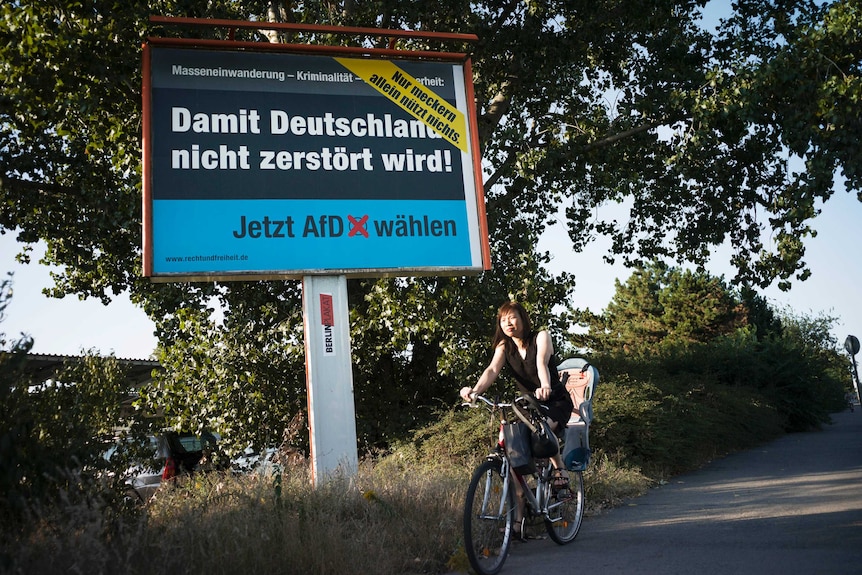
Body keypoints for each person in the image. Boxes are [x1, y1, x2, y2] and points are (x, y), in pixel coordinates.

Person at [460, 302, 574, 537]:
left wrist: (545, 386)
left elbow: (541, 362)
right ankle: (518, 519)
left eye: (512, 318)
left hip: (553, 400)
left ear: (523, 318)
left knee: (542, 431)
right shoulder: (504, 346)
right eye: (503, 320)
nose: (508, 324)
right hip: (527, 405)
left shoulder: (541, 337)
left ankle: (559, 470)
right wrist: (475, 391)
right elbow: (492, 370)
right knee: (511, 452)